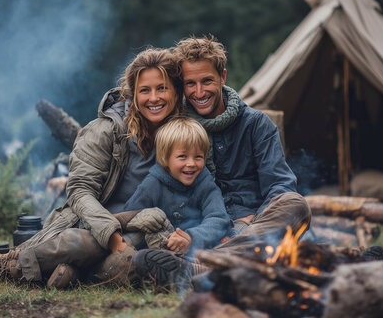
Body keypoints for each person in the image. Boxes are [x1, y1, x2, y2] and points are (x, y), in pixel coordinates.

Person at [0, 48, 184, 288]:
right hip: (91, 227)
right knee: (84, 244)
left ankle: (74, 271)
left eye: (162, 88)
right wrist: (110, 234)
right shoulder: (105, 130)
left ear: (175, 92)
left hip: (143, 235)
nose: (154, 98)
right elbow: (79, 190)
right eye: (145, 90)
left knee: (135, 265)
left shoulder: (185, 136)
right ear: (133, 94)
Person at [134, 36, 312, 285]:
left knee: (295, 204)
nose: (199, 92)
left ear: (223, 77)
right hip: (198, 231)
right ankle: (225, 267)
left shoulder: (256, 125)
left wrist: (248, 227)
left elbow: (279, 186)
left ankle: (206, 266)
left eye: (207, 81)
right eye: (190, 84)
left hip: (252, 229)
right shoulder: (176, 127)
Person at [123, 117, 231, 256]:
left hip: (197, 245)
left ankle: (199, 265)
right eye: (182, 156)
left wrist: (192, 237)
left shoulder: (205, 182)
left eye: (198, 157)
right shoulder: (152, 184)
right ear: (165, 158)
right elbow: (131, 216)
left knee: (226, 240)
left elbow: (219, 218)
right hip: (162, 247)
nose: (191, 163)